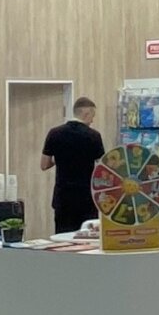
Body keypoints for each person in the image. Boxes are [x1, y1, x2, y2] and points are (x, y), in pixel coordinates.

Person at [40, 97, 105, 235]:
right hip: (86, 198)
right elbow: (102, 167)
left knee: (63, 237)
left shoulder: (54, 133)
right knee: (87, 238)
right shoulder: (94, 136)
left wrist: (60, 159)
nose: (92, 121)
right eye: (92, 116)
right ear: (86, 113)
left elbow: (44, 165)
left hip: (63, 198)